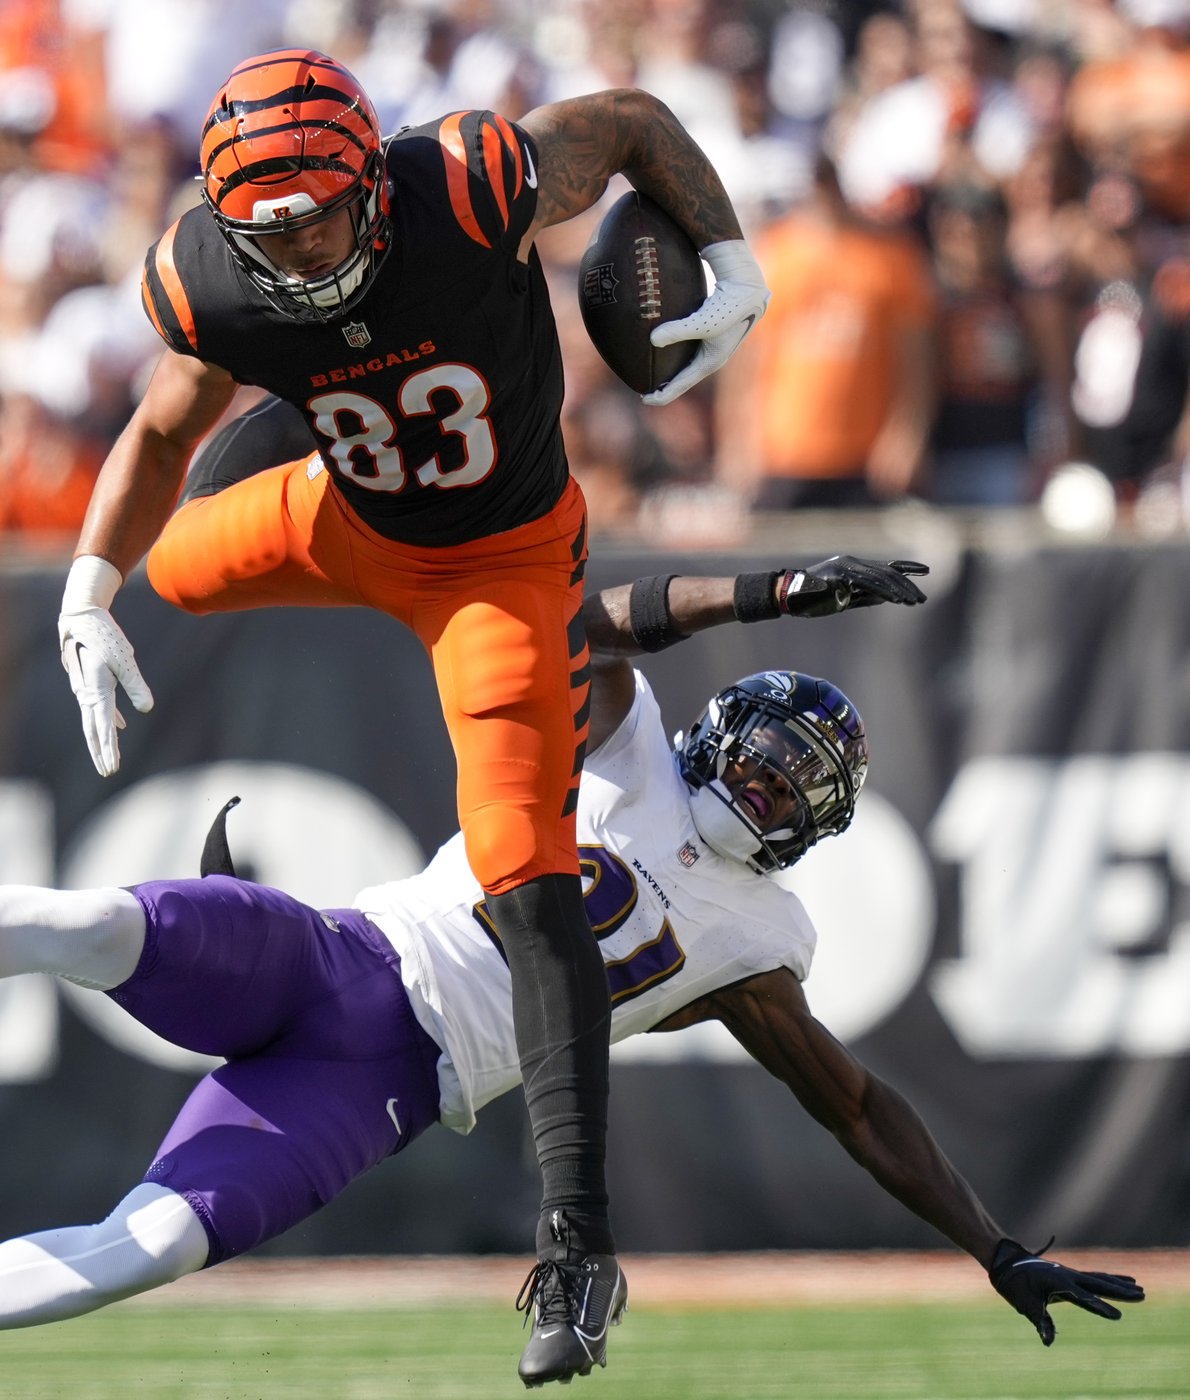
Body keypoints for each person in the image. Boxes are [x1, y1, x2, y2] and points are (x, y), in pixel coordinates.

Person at [52, 48, 771, 1381]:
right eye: (272, 227)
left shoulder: (467, 179)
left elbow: (623, 122)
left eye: (326, 208)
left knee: (525, 871)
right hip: (345, 514)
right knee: (170, 562)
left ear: (371, 177)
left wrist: (729, 257)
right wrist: (88, 595)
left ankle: (574, 1243)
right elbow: (157, 435)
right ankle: (300, 418)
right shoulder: (205, 273)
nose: (305, 239)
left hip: (498, 562)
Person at [5, 563, 1144, 1389]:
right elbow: (580, 619)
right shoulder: (627, 739)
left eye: (802, 789)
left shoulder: (759, 938)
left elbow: (852, 1103)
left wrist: (993, 1243)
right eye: (769, 759)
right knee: (89, 921)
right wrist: (771, 590)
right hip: (337, 951)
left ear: (820, 826)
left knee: (150, 1247)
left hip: (379, 1082)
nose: (773, 791)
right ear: (722, 730)